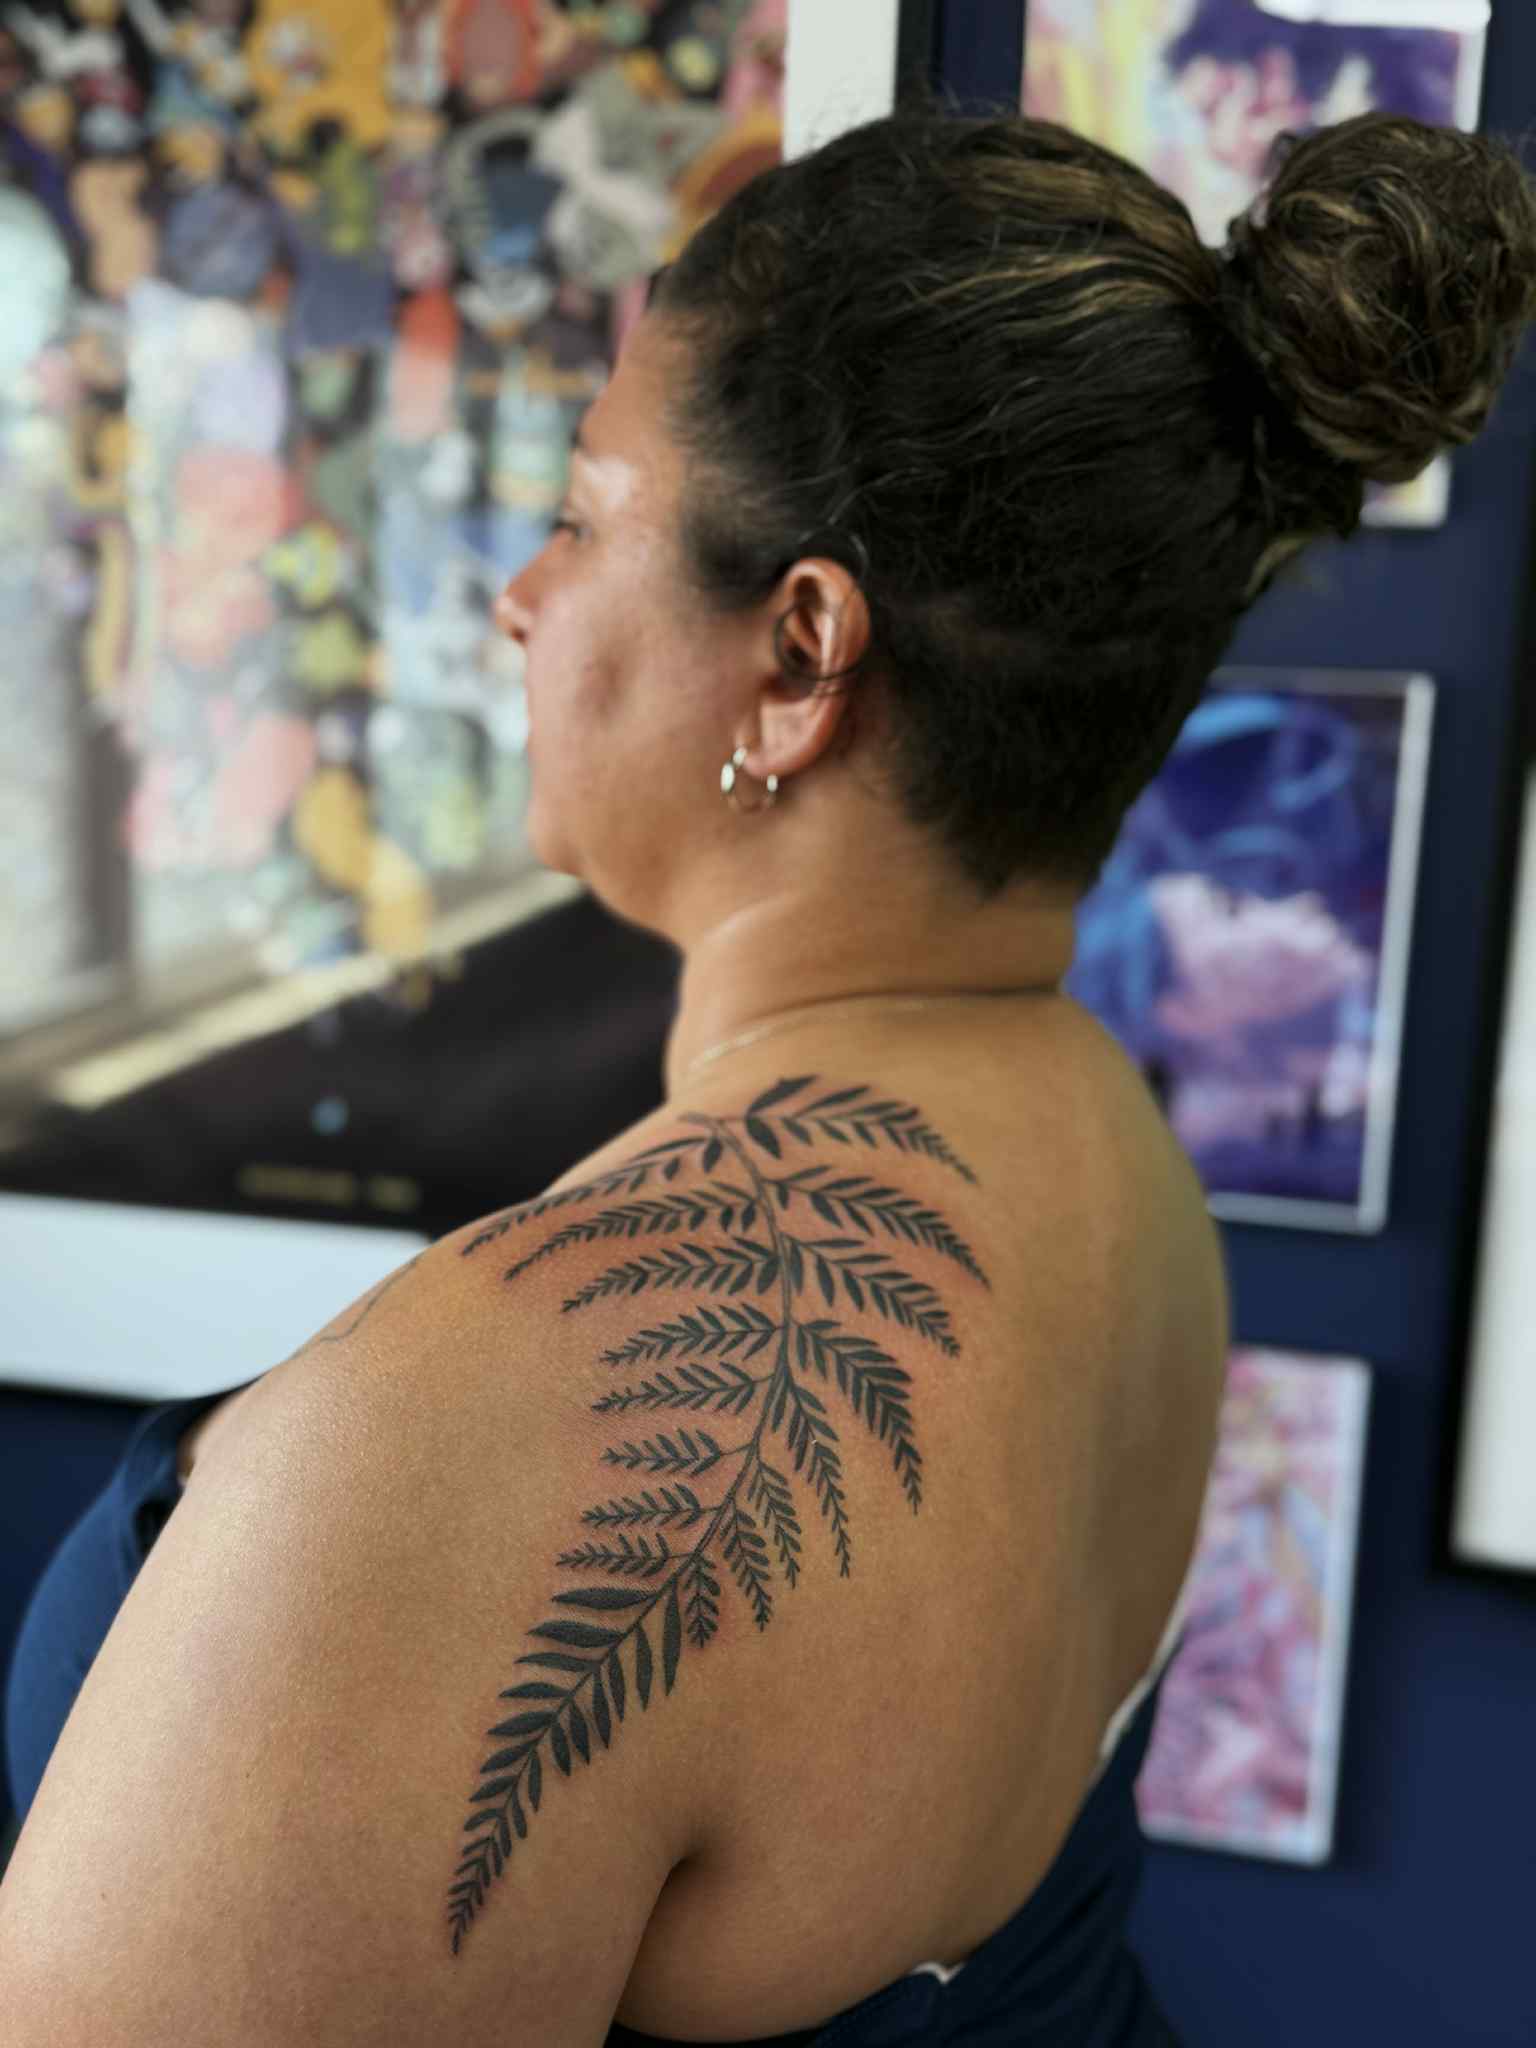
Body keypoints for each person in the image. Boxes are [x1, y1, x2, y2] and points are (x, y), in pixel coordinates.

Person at [5, 90, 1536, 2048]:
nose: (521, 597)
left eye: (580, 515)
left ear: (802, 652)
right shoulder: (1117, 1172)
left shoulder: (478, 1450)